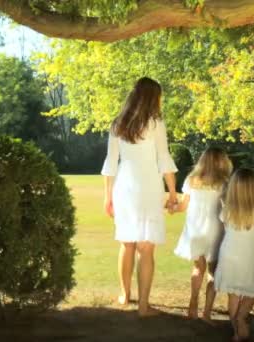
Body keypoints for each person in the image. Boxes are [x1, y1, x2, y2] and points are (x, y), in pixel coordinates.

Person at [101, 77, 178, 317]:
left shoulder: (118, 124)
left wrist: (107, 196)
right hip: (148, 188)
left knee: (127, 243)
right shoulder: (156, 123)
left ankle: (125, 295)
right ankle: (143, 306)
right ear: (153, 98)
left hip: (123, 188)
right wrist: (173, 192)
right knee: (146, 249)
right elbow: (164, 158)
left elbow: (110, 163)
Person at [173, 147, 233, 323]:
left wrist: (171, 208)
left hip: (195, 229)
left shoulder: (192, 180)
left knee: (198, 267)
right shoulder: (224, 182)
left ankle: (193, 304)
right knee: (213, 271)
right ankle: (207, 312)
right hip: (215, 229)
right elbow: (229, 207)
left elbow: (182, 206)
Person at [214, 168, 254, 341]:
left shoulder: (227, 210)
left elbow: (224, 224)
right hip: (247, 257)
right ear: (253, 188)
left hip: (228, 254)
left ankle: (236, 331)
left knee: (233, 294)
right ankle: (241, 317)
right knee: (251, 291)